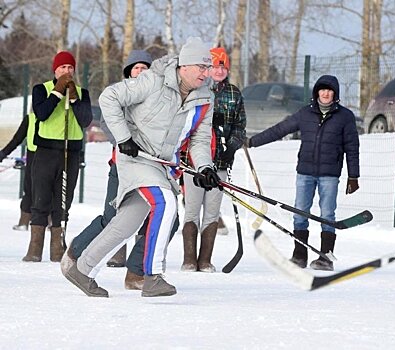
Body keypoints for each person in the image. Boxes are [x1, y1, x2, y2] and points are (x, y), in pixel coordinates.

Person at [63, 37, 220, 298]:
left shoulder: (205, 98)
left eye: (208, 67)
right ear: (184, 66)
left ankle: (82, 269)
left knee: (127, 221)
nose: (206, 73)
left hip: (162, 164)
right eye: (201, 67)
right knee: (166, 203)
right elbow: (109, 97)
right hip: (135, 156)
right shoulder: (153, 80)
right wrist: (123, 138)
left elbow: (200, 139)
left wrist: (204, 167)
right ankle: (152, 276)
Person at [245, 75, 360, 271]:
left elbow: (352, 146)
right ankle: (299, 255)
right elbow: (280, 129)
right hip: (305, 172)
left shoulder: (345, 116)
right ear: (316, 92)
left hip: (330, 174)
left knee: (327, 215)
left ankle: (325, 258)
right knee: (299, 213)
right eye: (322, 89)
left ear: (335, 93)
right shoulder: (305, 113)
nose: (325, 93)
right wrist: (252, 141)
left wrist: (353, 175)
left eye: (329, 90)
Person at [61, 50, 153, 287]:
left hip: (150, 169)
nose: (141, 72)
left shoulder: (157, 98)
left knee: (156, 217)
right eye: (137, 68)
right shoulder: (119, 94)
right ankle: (76, 250)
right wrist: (124, 142)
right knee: (112, 217)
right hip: (122, 166)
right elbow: (107, 123)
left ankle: (136, 273)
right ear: (129, 72)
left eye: (145, 68)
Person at [180, 47, 246, 272]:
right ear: (207, 68)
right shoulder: (197, 90)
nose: (219, 71)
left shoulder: (234, 93)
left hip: (220, 163)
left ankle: (205, 259)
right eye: (215, 66)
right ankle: (189, 258)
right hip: (194, 163)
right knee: (192, 208)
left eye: (223, 67)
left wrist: (232, 148)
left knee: (212, 210)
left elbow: (240, 127)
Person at [23, 51, 92, 263]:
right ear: (55, 70)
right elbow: (41, 113)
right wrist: (57, 93)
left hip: (70, 153)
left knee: (63, 200)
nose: (67, 71)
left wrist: (74, 98)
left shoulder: (82, 92)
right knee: (40, 198)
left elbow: (86, 120)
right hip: (44, 151)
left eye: (70, 68)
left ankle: (57, 248)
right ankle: (35, 249)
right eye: (63, 68)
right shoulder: (41, 89)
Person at [0, 113, 36, 231]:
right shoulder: (32, 118)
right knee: (50, 191)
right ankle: (50, 224)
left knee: (30, 190)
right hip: (46, 157)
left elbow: (17, 139)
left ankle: (23, 222)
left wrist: (4, 153)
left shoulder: (30, 118)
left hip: (34, 156)